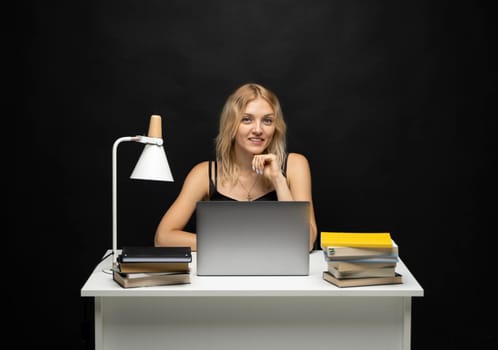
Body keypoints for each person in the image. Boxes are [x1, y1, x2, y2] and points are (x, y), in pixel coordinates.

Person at [154, 83, 318, 251]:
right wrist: (236, 245)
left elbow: (305, 243)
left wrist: (278, 180)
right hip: (221, 273)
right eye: (247, 119)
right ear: (231, 125)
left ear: (275, 128)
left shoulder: (295, 165)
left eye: (267, 121)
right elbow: (163, 237)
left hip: (281, 274)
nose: (258, 129)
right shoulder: (204, 174)